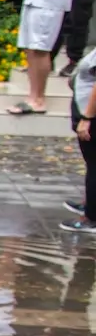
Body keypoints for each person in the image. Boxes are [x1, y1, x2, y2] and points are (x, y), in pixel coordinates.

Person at [12, 0, 75, 115]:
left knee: (40, 49)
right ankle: (32, 96)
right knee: (30, 48)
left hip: (49, 1)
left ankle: (38, 99)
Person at [63, 46, 96, 231]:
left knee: (94, 165)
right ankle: (90, 204)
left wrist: (87, 118)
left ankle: (91, 217)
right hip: (86, 109)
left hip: (91, 115)